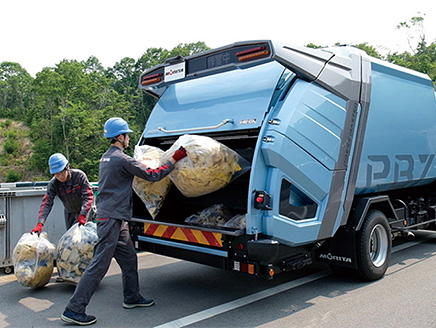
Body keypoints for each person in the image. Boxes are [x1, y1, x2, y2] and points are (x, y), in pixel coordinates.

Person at [61, 117, 187, 326]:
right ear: (120, 137)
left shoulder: (106, 157)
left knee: (129, 258)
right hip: (112, 218)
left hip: (114, 217)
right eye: (127, 135)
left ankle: (132, 296)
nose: (128, 138)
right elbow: (153, 175)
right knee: (99, 264)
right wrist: (174, 159)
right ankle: (74, 309)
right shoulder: (121, 159)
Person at [31, 153, 94, 235]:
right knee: (71, 239)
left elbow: (88, 196)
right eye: (56, 174)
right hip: (70, 213)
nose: (60, 176)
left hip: (86, 211)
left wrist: (83, 215)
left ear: (67, 168)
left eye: (61, 173)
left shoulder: (79, 176)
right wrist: (40, 223)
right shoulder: (54, 184)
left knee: (87, 239)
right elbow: (47, 203)